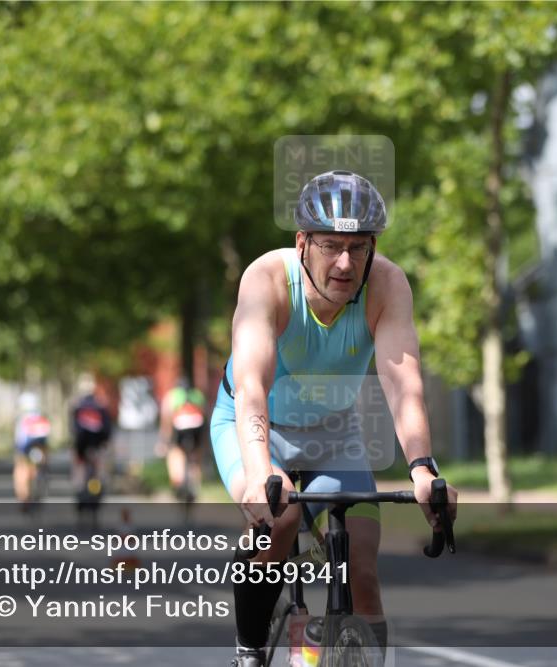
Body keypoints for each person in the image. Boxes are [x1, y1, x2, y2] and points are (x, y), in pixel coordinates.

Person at [211, 170, 459, 666]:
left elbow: (403, 385)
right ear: (302, 243)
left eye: (358, 247)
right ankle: (249, 651)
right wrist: (260, 472)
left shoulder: (386, 284)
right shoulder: (266, 280)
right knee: (279, 521)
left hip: (333, 434)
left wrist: (422, 469)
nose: (345, 263)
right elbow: (252, 386)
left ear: (372, 248)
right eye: (330, 246)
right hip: (255, 428)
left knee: (361, 567)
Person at [159, 376, 208, 501]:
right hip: (197, 427)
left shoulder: (171, 395)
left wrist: (165, 440)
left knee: (175, 451)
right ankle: (195, 485)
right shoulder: (198, 395)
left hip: (180, 427)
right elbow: (205, 415)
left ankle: (178, 482)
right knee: (196, 455)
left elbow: (167, 418)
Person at [71, 377, 114, 506]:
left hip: (82, 444)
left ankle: (79, 488)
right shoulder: (101, 406)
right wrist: (106, 442)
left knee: (79, 465)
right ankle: (99, 485)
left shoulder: (77, 406)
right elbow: (107, 428)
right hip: (97, 443)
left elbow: (73, 428)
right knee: (100, 465)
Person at [12, 391, 51, 504]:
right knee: (42, 463)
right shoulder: (41, 417)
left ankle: (23, 496)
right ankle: (43, 476)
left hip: (25, 448)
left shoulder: (21, 419)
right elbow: (45, 439)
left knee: (20, 467)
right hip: (39, 448)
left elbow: (19, 441)